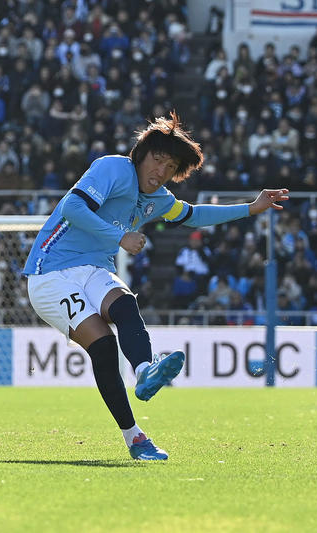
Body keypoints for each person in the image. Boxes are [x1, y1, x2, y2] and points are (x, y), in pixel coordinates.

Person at [22, 114, 288, 461]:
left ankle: (145, 373)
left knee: (125, 305)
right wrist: (120, 237)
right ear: (141, 154)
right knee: (103, 346)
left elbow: (193, 214)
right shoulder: (113, 169)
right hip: (50, 271)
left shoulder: (159, 199)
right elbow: (72, 207)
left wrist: (252, 208)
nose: (161, 170)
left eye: (171, 165)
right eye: (157, 159)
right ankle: (135, 437)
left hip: (93, 268)